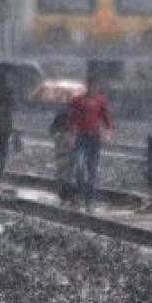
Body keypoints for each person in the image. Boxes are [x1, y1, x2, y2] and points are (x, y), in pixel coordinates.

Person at [68, 77, 113, 211]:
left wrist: (109, 131)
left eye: (94, 85)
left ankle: (89, 201)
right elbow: (72, 118)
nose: (92, 88)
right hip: (81, 138)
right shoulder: (78, 101)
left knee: (92, 170)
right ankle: (80, 194)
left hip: (94, 139)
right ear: (86, 86)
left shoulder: (101, 101)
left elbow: (106, 118)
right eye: (90, 85)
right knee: (80, 167)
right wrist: (71, 134)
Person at [49, 106, 76, 204]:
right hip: (64, 148)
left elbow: (52, 130)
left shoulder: (65, 114)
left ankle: (66, 195)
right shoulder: (67, 114)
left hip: (67, 149)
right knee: (65, 172)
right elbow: (53, 130)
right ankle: (66, 194)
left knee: (65, 172)